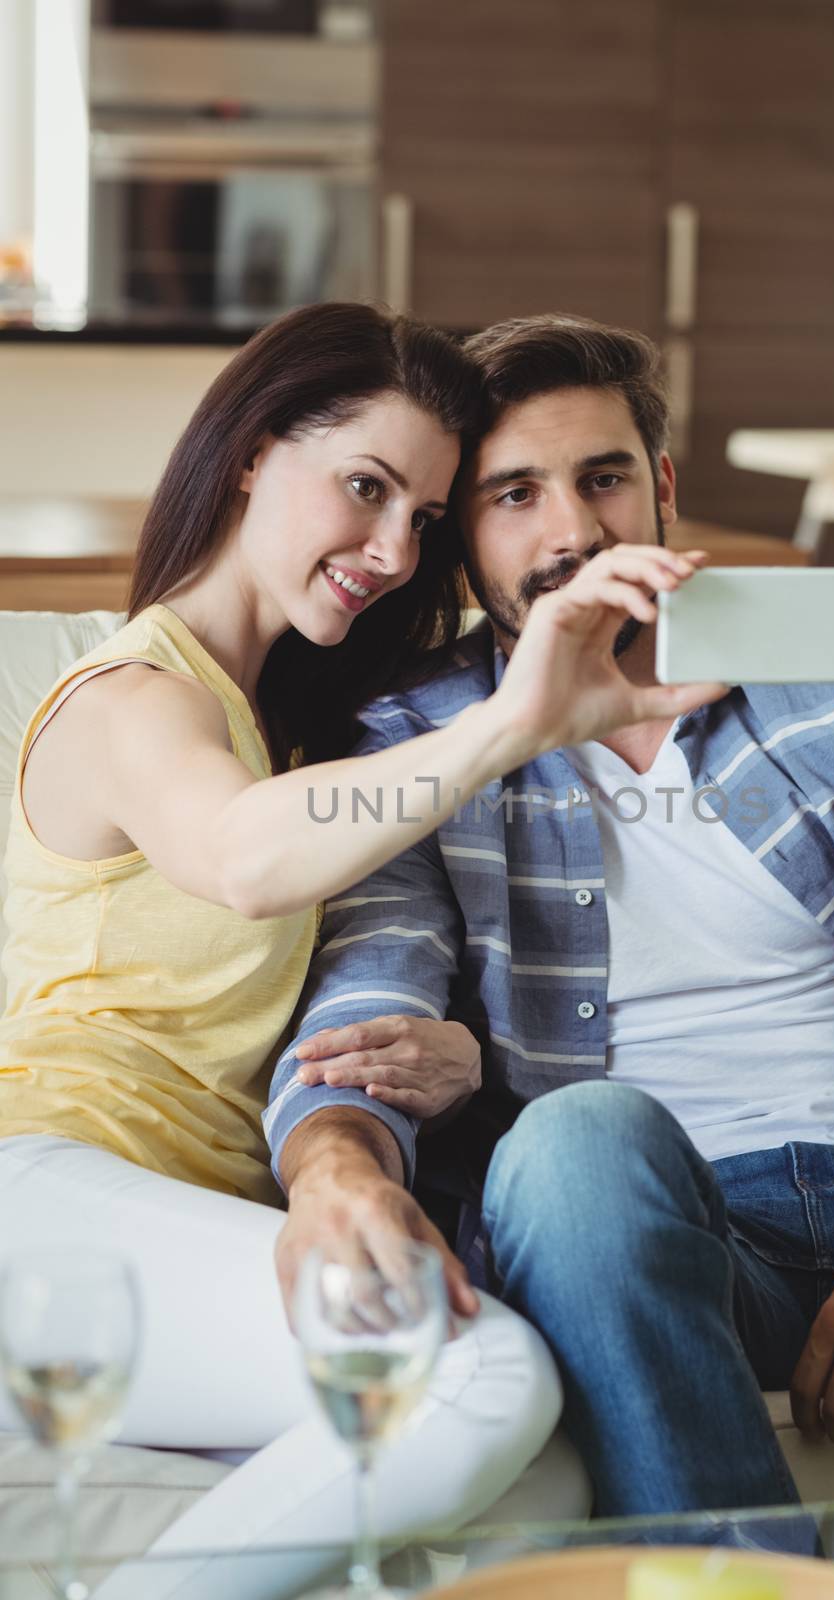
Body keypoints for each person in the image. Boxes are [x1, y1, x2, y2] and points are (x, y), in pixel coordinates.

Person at [268, 312, 834, 1521]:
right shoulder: (420, 736)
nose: (574, 531)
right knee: (572, 1145)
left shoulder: (821, 649)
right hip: (668, 1236)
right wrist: (333, 1167)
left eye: (602, 480)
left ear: (662, 489)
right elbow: (365, 1004)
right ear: (455, 531)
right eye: (513, 494)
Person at [0, 302, 725, 1588]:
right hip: (44, 1194)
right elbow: (236, 855)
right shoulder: (136, 695)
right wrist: (514, 721)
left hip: (190, 1224)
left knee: (548, 1476)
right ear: (249, 454)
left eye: (425, 517)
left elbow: (335, 953)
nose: (393, 549)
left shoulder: (284, 724)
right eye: (363, 487)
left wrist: (453, 1051)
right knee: (465, 1372)